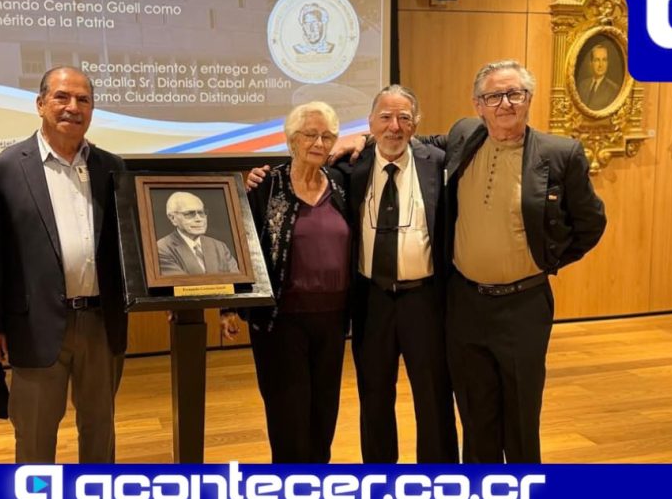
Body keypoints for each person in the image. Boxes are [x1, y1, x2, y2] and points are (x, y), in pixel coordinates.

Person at [246, 87, 460, 464]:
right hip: (370, 301)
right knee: (374, 397)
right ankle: (378, 478)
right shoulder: (350, 170)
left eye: (404, 118)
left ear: (416, 124)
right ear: (370, 123)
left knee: (433, 396)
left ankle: (439, 481)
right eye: (385, 118)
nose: (395, 127)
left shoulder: (436, 162)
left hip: (423, 300)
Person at [443, 60, 606, 463]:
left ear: (529, 99)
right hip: (465, 304)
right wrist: (356, 142)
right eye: (493, 96)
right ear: (478, 104)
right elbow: (412, 142)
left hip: (523, 306)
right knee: (475, 417)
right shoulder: (463, 135)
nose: (505, 104)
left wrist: (547, 259)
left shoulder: (559, 153)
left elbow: (591, 223)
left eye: (515, 94)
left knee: (520, 419)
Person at [0, 66, 128, 464]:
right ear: (41, 103)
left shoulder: (113, 167)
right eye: (62, 97)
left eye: (83, 99)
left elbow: (128, 247)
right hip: (33, 326)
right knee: (33, 433)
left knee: (100, 428)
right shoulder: (4, 169)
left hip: (101, 322)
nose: (72, 107)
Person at [222, 101, 352, 463]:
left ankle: (316, 481)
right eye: (310, 134)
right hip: (280, 321)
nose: (319, 142)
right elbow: (240, 246)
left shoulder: (342, 184)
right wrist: (230, 305)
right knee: (287, 411)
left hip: (333, 318)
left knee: (324, 410)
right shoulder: (265, 184)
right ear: (291, 140)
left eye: (328, 136)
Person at [157, 191, 239, 276]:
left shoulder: (219, 246)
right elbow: (185, 285)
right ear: (173, 218)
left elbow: (237, 280)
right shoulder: (161, 249)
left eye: (201, 212)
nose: (199, 219)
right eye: (189, 214)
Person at [576, 44, 620, 110]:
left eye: (604, 60)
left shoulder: (614, 89)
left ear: (607, 63)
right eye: (597, 60)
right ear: (591, 63)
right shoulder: (582, 85)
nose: (601, 65)